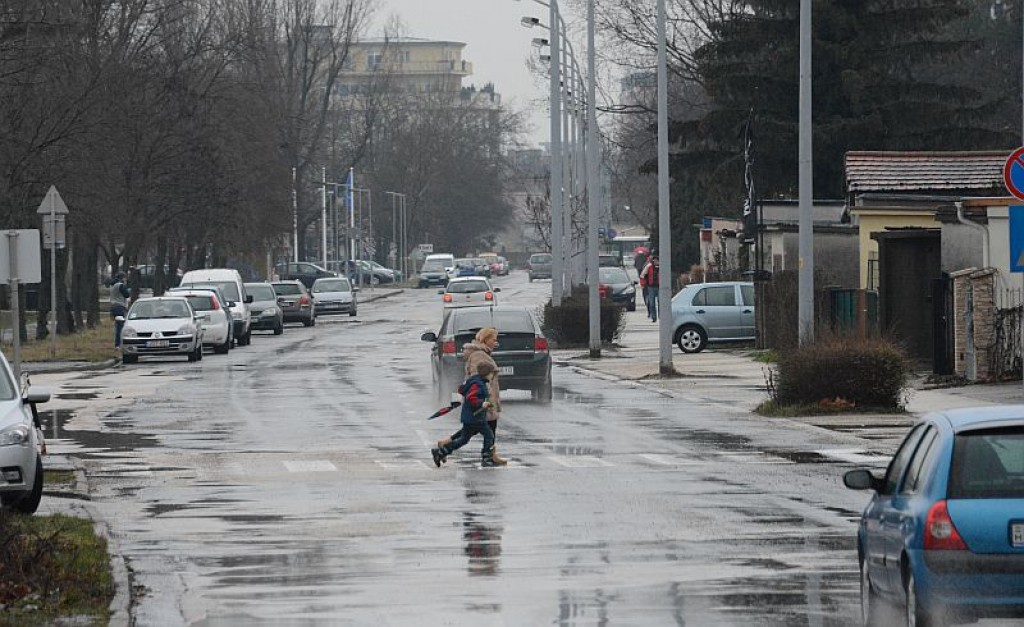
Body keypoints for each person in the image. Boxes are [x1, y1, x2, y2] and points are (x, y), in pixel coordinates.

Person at [437, 327, 508, 465]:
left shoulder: (482, 353)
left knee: (474, 430)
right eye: (493, 339)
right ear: (485, 339)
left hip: (484, 399)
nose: (495, 342)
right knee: (480, 429)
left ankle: (447, 445)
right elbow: (477, 377)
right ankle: (487, 455)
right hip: (482, 400)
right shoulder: (479, 355)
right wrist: (485, 397)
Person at [431, 370, 497, 468]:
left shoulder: (478, 382)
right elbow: (471, 397)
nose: (493, 376)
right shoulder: (478, 384)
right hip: (475, 418)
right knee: (489, 435)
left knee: (463, 439)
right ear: (486, 373)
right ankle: (486, 458)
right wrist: (481, 403)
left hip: (472, 417)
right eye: (491, 374)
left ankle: (441, 452)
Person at [109, 272, 131, 349]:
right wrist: (128, 289)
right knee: (120, 327)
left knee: (118, 326)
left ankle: (118, 344)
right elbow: (127, 295)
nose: (126, 279)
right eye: (125, 278)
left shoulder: (112, 285)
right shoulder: (120, 285)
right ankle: (118, 345)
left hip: (113, 307)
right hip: (120, 307)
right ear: (122, 278)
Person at [640, 253, 660, 322]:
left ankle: (661, 316)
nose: (655, 261)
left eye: (657, 260)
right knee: (652, 303)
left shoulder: (662, 267)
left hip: (660, 287)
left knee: (660, 302)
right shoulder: (649, 266)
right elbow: (642, 276)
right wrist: (643, 285)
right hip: (650, 287)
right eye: (654, 260)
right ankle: (654, 317)